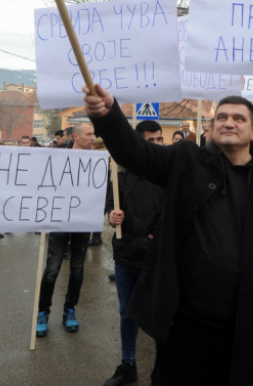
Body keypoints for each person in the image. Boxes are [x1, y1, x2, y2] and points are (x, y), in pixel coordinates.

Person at [85, 87, 253, 385]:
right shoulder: (186, 161)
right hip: (186, 326)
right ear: (213, 126)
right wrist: (108, 115)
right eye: (222, 117)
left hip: (247, 327)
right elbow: (135, 153)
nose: (229, 123)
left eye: (239, 118)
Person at [103, 120, 166, 386]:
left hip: (159, 258)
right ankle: (128, 364)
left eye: (159, 140)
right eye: (150, 141)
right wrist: (112, 217)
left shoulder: (168, 172)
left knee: (160, 315)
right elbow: (108, 208)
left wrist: (159, 232)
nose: (156, 146)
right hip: (127, 254)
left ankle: (159, 371)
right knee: (127, 312)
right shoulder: (120, 174)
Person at [36, 122, 95, 337]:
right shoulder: (58, 156)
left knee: (77, 270)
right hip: (59, 220)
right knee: (52, 269)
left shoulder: (96, 160)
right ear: (76, 136)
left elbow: (101, 192)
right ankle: (42, 312)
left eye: (93, 134)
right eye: (88, 134)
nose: (92, 137)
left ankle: (69, 310)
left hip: (83, 221)